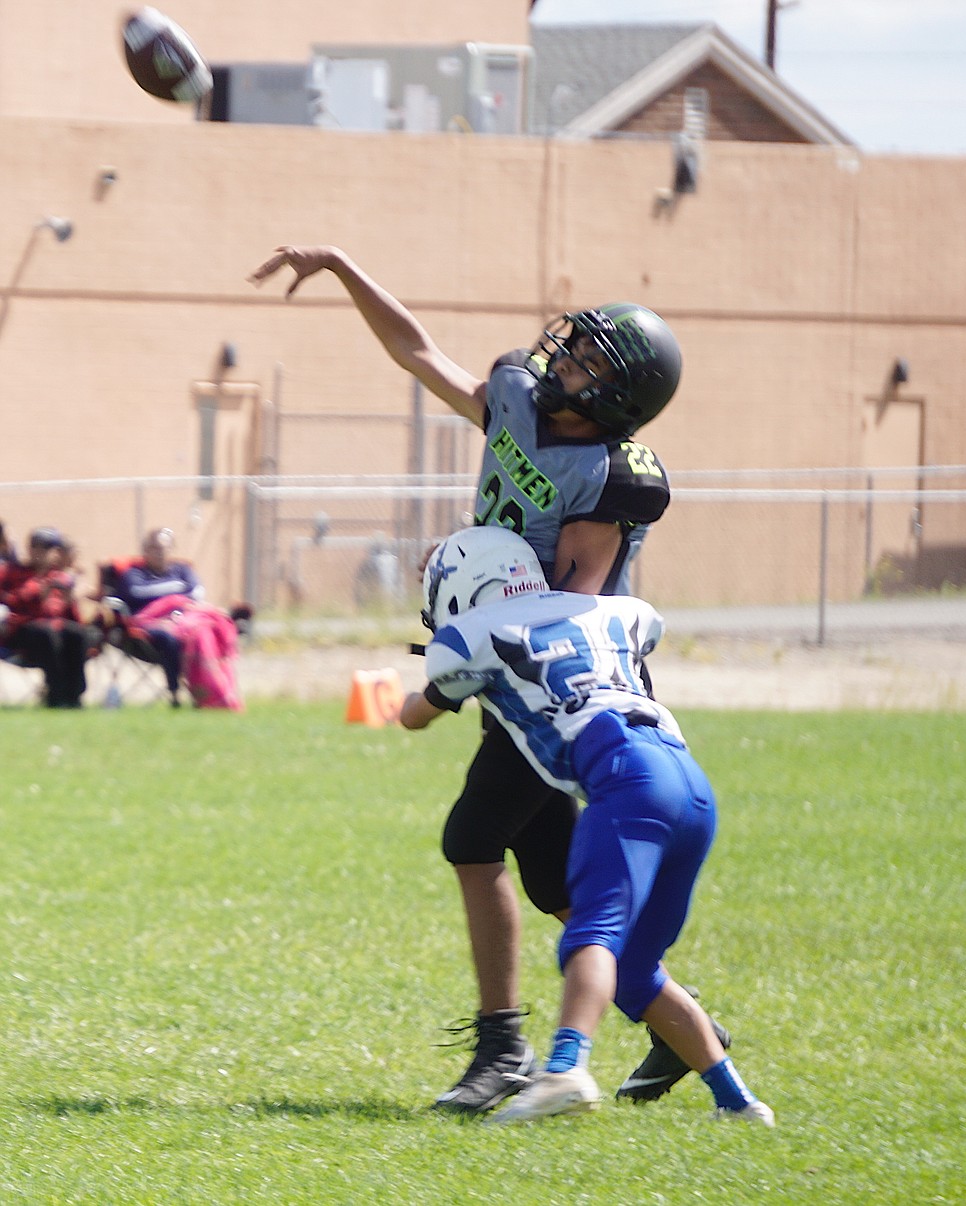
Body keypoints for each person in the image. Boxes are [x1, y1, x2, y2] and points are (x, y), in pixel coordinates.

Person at [249, 244, 727, 1114]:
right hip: (511, 668)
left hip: (564, 684)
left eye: (588, 361)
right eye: (573, 344)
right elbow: (418, 352)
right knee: (556, 885)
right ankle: (680, 1028)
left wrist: (471, 641)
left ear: (618, 398)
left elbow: (571, 610)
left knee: (471, 837)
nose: (562, 360)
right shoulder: (513, 400)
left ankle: (503, 1050)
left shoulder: (608, 480)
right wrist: (347, 266)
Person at [401, 526, 774, 1127]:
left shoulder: (478, 635)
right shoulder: (610, 612)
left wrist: (437, 686)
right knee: (633, 966)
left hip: (624, 779)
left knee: (590, 936)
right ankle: (737, 1100)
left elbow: (413, 717)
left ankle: (566, 1067)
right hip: (689, 782)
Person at [112, 528, 243, 710]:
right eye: (154, 548)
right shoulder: (133, 574)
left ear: (172, 549)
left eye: (164, 548)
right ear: (145, 551)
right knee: (169, 637)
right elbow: (136, 592)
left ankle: (213, 692)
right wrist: (176, 588)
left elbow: (196, 593)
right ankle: (174, 693)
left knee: (206, 632)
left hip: (185, 621)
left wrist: (170, 591)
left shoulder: (183, 570)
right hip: (148, 626)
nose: (160, 553)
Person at [0, 526, 98, 708]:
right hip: (22, 630)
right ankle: (56, 695)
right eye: (39, 548)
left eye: (50, 549)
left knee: (77, 633)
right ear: (31, 549)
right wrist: (39, 593)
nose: (44, 554)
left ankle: (74, 695)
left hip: (56, 627)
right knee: (47, 633)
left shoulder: (60, 577)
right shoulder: (12, 572)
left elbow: (71, 615)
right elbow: (9, 602)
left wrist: (70, 599)